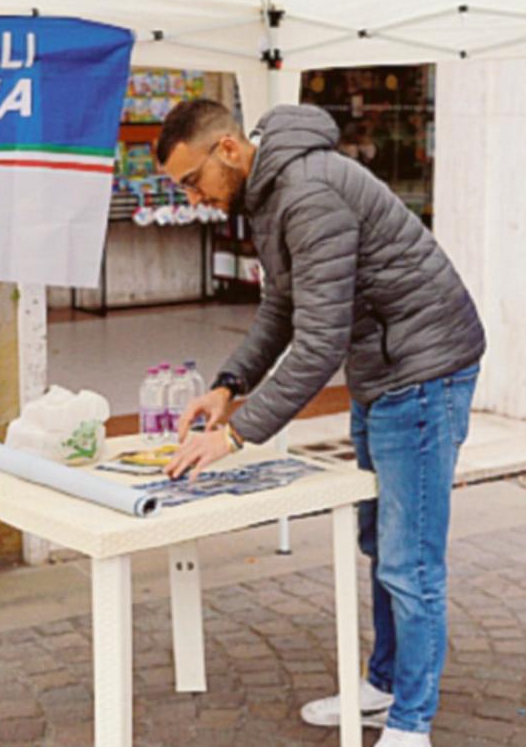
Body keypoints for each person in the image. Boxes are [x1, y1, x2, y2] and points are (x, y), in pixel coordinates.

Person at [156, 98, 485, 746]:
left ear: (227, 149)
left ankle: (411, 722)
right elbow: (282, 306)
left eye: (193, 180)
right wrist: (228, 386)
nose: (193, 197)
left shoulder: (306, 191)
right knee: (378, 541)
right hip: (386, 368)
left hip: (422, 371)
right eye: (181, 188)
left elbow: (319, 341)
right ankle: (386, 683)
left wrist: (235, 434)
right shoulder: (267, 194)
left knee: (409, 558)